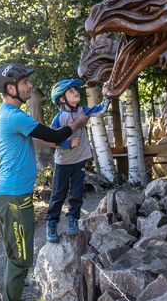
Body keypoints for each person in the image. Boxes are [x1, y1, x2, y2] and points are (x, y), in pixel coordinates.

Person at [0, 64, 88, 301]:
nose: (29, 86)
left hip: (11, 196)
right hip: (14, 198)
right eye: (25, 83)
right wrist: (77, 123)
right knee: (21, 259)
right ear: (10, 88)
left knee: (16, 257)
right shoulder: (14, 117)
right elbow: (54, 135)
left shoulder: (4, 114)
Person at [46, 79, 110, 242]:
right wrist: (67, 144)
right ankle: (51, 223)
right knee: (58, 194)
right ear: (62, 99)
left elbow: (100, 110)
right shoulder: (59, 118)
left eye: (76, 89)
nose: (76, 92)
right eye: (71, 91)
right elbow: (50, 139)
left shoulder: (83, 110)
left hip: (80, 160)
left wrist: (107, 96)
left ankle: (73, 220)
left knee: (77, 192)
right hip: (63, 163)